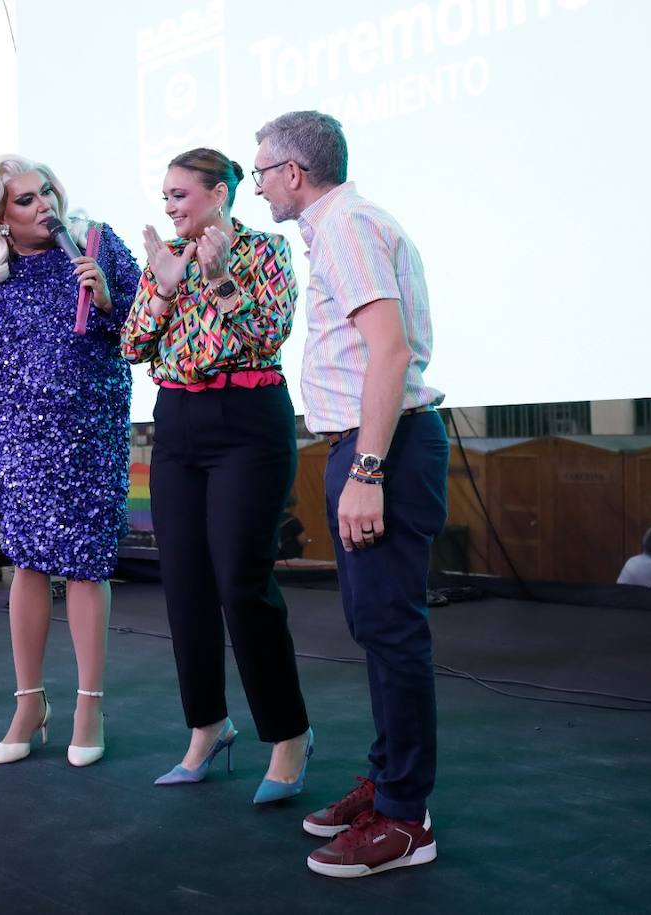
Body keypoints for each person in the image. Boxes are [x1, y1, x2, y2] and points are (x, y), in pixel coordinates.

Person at [253, 110, 447, 878]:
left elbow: (390, 350)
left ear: (295, 172)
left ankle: (405, 817)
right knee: (377, 626)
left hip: (384, 448)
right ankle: (391, 783)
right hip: (372, 444)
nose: (258, 183)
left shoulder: (347, 227)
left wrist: (367, 471)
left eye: (262, 170)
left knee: (392, 630)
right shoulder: (341, 226)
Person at [121, 147, 313, 803]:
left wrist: (223, 275)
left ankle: (289, 733)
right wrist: (166, 284)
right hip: (176, 423)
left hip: (248, 419)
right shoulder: (163, 260)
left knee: (240, 578)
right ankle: (207, 726)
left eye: (180, 194)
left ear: (219, 193)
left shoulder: (266, 251)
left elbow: (269, 332)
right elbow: (132, 346)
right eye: (166, 195)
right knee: (185, 584)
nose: (169, 205)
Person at [0, 154, 139, 768]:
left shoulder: (96, 243)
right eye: (26, 200)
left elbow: (149, 332)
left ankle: (89, 704)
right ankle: (29, 703)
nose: (44, 205)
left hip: (91, 431)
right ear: (0, 217)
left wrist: (108, 303)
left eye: (47, 191)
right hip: (19, 438)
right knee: (26, 562)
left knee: (85, 564)